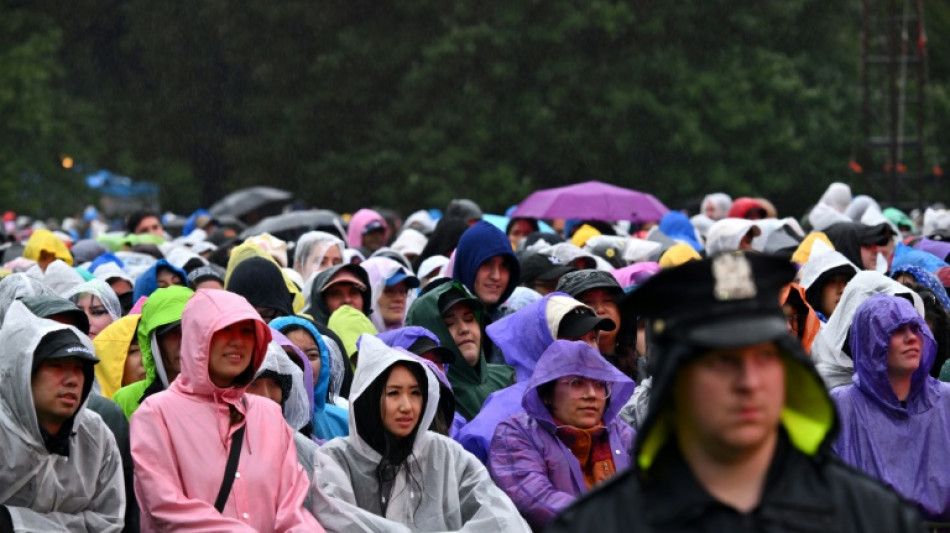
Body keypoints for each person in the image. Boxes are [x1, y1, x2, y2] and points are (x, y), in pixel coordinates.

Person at [549, 252, 922, 532]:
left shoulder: (868, 516)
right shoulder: (604, 522)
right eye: (722, 362)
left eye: (765, 358)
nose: (749, 382)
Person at [131, 289, 322, 531]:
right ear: (197, 336)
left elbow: (292, 507)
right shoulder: (156, 414)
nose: (237, 341)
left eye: (246, 331)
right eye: (224, 330)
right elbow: (165, 506)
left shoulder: (269, 414)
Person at [310, 334, 530, 532]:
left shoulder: (444, 453)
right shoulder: (337, 459)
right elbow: (338, 519)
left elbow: (500, 517)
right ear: (370, 398)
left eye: (416, 393)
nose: (407, 406)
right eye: (393, 393)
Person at [0, 302, 125, 532]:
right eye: (56, 365)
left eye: (79, 368)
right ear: (24, 371)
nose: (71, 380)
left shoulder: (95, 434)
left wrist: (12, 521)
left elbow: (109, 522)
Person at [488, 340, 635, 531]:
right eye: (577, 383)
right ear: (547, 394)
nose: (591, 394)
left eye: (600, 384)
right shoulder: (516, 433)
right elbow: (535, 498)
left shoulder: (619, 431)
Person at [455, 293, 616, 463]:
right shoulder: (505, 411)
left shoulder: (604, 398)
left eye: (592, 338)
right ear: (541, 343)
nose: (588, 349)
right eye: (575, 339)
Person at [832, 294, 950, 522]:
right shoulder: (843, 407)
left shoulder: (946, 401)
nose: (911, 338)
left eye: (915, 328)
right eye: (897, 330)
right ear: (871, 340)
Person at [406, 281, 514, 420]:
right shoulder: (429, 400)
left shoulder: (509, 377)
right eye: (449, 324)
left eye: (469, 319)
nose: (464, 329)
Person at [112, 286, 193, 418]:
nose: (184, 341)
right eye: (174, 332)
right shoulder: (126, 400)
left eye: (192, 329)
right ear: (155, 343)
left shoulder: (222, 397)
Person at [271, 316, 350, 440]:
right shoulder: (252, 422)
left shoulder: (345, 423)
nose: (305, 365)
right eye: (291, 357)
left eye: (312, 356)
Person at [361, 256, 420, 332]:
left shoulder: (416, 336)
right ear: (368, 295)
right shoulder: (353, 336)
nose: (399, 299)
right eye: (390, 291)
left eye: (404, 291)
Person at [799, 250, 859, 322]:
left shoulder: (861, 326)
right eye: (832, 281)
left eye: (846, 281)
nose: (842, 290)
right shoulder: (798, 327)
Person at [307, 263, 373, 325]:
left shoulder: (375, 332)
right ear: (321, 303)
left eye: (354, 292)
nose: (347, 300)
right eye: (335, 294)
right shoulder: (306, 333)